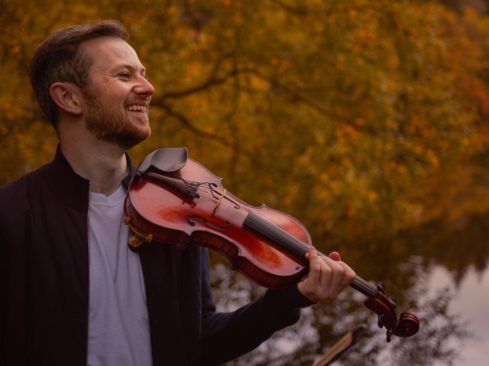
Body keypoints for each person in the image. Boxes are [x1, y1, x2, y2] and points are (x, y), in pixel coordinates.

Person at [0, 20, 356, 366]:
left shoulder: (175, 210)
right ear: (68, 97)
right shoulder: (13, 216)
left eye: (143, 73)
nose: (148, 87)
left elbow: (199, 342)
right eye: (124, 76)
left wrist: (288, 299)